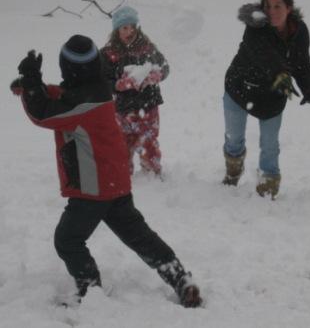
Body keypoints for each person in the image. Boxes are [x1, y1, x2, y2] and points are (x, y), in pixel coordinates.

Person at [10, 35, 201, 308]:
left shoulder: (82, 104)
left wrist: (32, 85)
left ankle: (90, 291)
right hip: (114, 183)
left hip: (93, 188)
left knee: (67, 240)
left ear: (69, 69)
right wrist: (35, 86)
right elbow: (64, 97)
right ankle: (181, 279)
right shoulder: (97, 91)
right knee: (140, 238)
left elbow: (45, 113)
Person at [223, 0, 310, 199]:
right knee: (234, 140)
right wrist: (279, 73)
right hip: (240, 88)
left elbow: (301, 64)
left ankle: (269, 183)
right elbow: (262, 53)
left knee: (270, 145)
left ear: (289, 8)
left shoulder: (299, 31)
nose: (272, 11)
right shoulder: (255, 26)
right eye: (268, 6)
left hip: (272, 95)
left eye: (278, 6)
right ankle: (233, 169)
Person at [100, 6, 169, 177]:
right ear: (117, 30)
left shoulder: (147, 48)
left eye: (132, 27)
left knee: (148, 141)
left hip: (148, 103)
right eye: (124, 28)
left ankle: (152, 172)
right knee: (122, 142)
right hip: (122, 107)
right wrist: (118, 85)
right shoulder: (108, 53)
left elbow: (165, 66)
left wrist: (157, 74)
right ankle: (123, 174)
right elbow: (102, 80)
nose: (129, 31)